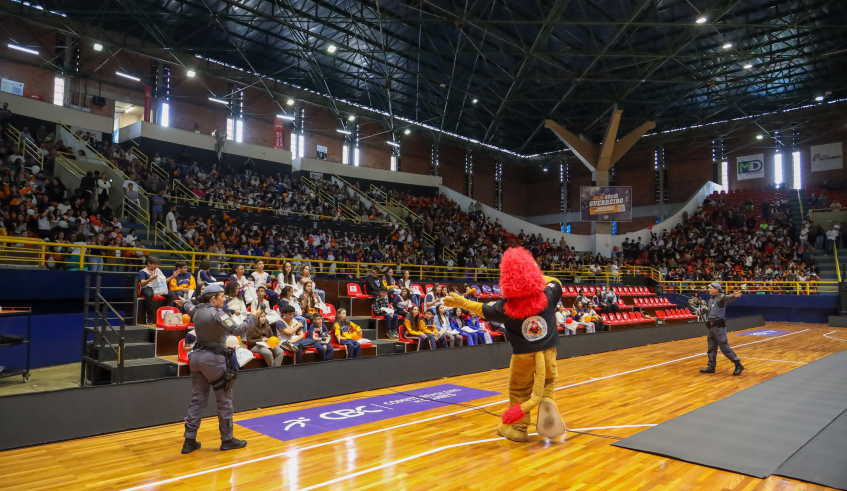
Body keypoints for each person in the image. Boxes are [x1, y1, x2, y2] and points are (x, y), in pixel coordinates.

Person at [443, 247, 565, 442]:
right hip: (548, 351)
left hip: (523, 356)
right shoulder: (548, 296)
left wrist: (462, 302)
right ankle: (547, 400)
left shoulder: (506, 307)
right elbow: (556, 282)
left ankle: (518, 428)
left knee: (519, 391)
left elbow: (482, 309)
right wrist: (533, 273)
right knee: (547, 382)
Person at [175, 283, 259, 454]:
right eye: (221, 296)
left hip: (196, 358)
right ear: (213, 299)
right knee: (224, 401)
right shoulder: (217, 314)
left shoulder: (197, 310)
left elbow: (189, 307)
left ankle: (189, 441)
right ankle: (227, 440)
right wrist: (253, 317)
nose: (224, 298)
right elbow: (235, 330)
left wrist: (183, 302)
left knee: (197, 401)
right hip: (213, 360)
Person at [700, 282, 744, 376]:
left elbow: (728, 298)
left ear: (716, 289)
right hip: (711, 327)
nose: (709, 289)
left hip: (718, 327)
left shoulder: (721, 297)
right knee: (711, 347)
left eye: (710, 288)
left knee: (724, 346)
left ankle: (738, 364)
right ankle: (711, 366)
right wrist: (705, 310)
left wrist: (733, 296)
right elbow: (711, 310)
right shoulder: (711, 298)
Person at [138, 256, 176, 324]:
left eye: (157, 264)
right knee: (149, 294)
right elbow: (142, 283)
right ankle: (149, 317)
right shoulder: (143, 272)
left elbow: (165, 281)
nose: (156, 266)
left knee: (171, 294)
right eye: (155, 264)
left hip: (158, 287)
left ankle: (168, 314)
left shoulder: (158, 270)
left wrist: (172, 276)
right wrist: (151, 279)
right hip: (147, 288)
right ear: (149, 263)